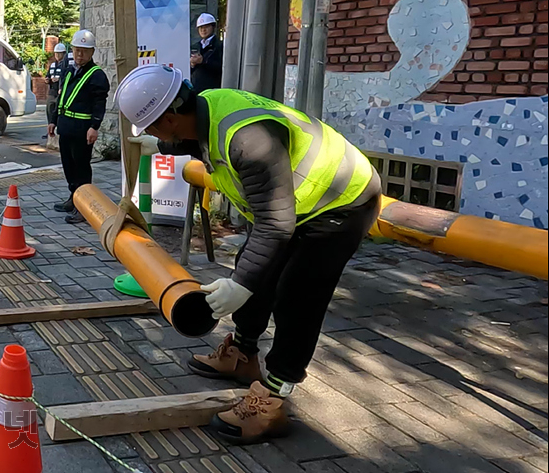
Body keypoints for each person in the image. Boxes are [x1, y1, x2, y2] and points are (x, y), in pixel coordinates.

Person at [115, 64, 381, 445]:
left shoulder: (248, 141)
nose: (154, 135)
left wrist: (240, 285)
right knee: (255, 267)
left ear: (170, 118)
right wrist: (156, 146)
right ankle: (242, 355)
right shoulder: (203, 109)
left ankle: (274, 396)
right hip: (292, 204)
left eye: (152, 129)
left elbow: (276, 225)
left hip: (341, 201)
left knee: (297, 295)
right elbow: (186, 141)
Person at [48, 30, 110, 224]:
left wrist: (94, 126)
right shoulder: (68, 71)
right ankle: (74, 198)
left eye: (84, 51)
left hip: (83, 129)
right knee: (68, 166)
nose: (80, 55)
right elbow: (61, 98)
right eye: (77, 50)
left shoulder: (97, 75)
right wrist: (53, 120)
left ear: (92, 52)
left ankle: (84, 207)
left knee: (81, 167)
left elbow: (99, 103)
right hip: (66, 126)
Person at [190, 12, 223, 93]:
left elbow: (221, 66)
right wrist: (192, 65)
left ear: (213, 27)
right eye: (201, 27)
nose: (203, 30)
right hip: (196, 89)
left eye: (206, 26)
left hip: (212, 89)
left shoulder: (219, 45)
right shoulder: (196, 46)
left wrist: (203, 61)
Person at [44, 42, 73, 135]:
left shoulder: (67, 64)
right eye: (56, 53)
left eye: (59, 53)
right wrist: (48, 79)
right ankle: (50, 128)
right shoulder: (53, 65)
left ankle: (59, 130)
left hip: (61, 91)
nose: (57, 55)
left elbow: (67, 76)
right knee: (49, 109)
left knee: (59, 111)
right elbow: (48, 76)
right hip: (52, 91)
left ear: (64, 54)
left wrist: (59, 80)